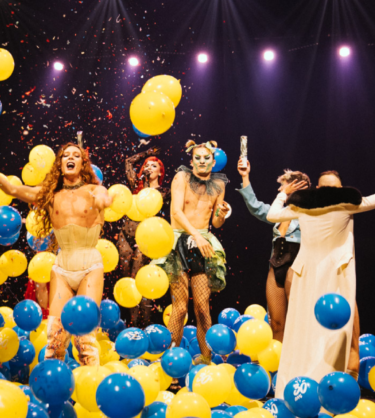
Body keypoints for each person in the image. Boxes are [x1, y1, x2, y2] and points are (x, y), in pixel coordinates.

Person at [269, 149, 375, 398]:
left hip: (313, 274)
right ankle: (329, 390)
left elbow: (272, 214)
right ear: (320, 188)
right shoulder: (345, 205)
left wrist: (283, 194)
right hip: (332, 275)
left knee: (305, 329)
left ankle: (296, 388)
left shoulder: (304, 207)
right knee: (328, 329)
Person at [0, 142, 112, 366]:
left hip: (90, 266)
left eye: (76, 155)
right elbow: (11, 188)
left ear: (83, 164)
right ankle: (53, 384)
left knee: (85, 338)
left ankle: (91, 384)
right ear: (60, 163)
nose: (70, 158)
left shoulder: (94, 191)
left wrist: (104, 200)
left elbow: (105, 196)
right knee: (55, 338)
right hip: (62, 267)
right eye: (65, 155)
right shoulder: (49, 195)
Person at [154, 140, 231, 364]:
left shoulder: (219, 184)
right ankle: (170, 361)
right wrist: (196, 236)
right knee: (179, 309)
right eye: (198, 158)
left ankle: (206, 360)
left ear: (213, 162)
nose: (202, 161)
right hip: (179, 242)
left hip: (202, 243)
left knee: (202, 308)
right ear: (192, 161)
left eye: (206, 158)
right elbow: (176, 212)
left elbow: (215, 223)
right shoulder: (182, 177)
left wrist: (221, 215)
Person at [235, 157, 309, 342]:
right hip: (276, 267)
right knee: (276, 323)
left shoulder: (310, 214)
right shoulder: (278, 214)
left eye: (283, 187)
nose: (279, 190)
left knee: (298, 323)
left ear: (295, 187)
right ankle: (278, 359)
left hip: (298, 268)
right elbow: (255, 207)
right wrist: (245, 176)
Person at [118, 147, 168, 328]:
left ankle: (142, 324)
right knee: (127, 279)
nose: (149, 168)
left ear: (160, 172)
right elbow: (128, 162)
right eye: (147, 165)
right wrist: (147, 153)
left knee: (139, 279)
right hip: (126, 235)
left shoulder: (164, 192)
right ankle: (130, 324)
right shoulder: (136, 186)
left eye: (154, 166)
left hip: (145, 239)